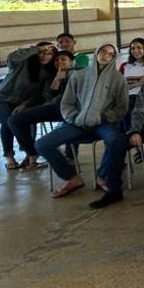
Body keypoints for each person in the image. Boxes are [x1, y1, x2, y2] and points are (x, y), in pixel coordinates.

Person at [38, 43, 129, 208]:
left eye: (110, 54)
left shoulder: (118, 79)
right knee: (42, 143)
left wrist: (103, 117)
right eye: (103, 52)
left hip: (102, 123)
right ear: (96, 52)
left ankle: (105, 176)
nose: (105, 56)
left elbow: (121, 108)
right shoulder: (79, 76)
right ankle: (72, 178)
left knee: (117, 140)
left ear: (113, 57)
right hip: (78, 123)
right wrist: (74, 117)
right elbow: (67, 103)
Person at [0, 42, 56, 171]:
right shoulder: (22, 64)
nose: (45, 56)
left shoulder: (47, 72)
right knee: (8, 121)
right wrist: (36, 48)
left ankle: (30, 158)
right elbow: (12, 57)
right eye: (42, 52)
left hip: (20, 104)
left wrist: (25, 105)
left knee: (21, 120)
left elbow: (39, 95)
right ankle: (11, 156)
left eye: (49, 54)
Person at [6, 49, 75, 170]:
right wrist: (57, 80)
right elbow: (47, 96)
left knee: (72, 124)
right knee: (14, 120)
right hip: (53, 109)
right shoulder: (50, 76)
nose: (59, 62)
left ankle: (70, 155)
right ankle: (32, 152)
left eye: (63, 59)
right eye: (57, 60)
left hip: (72, 111)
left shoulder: (78, 74)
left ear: (71, 62)